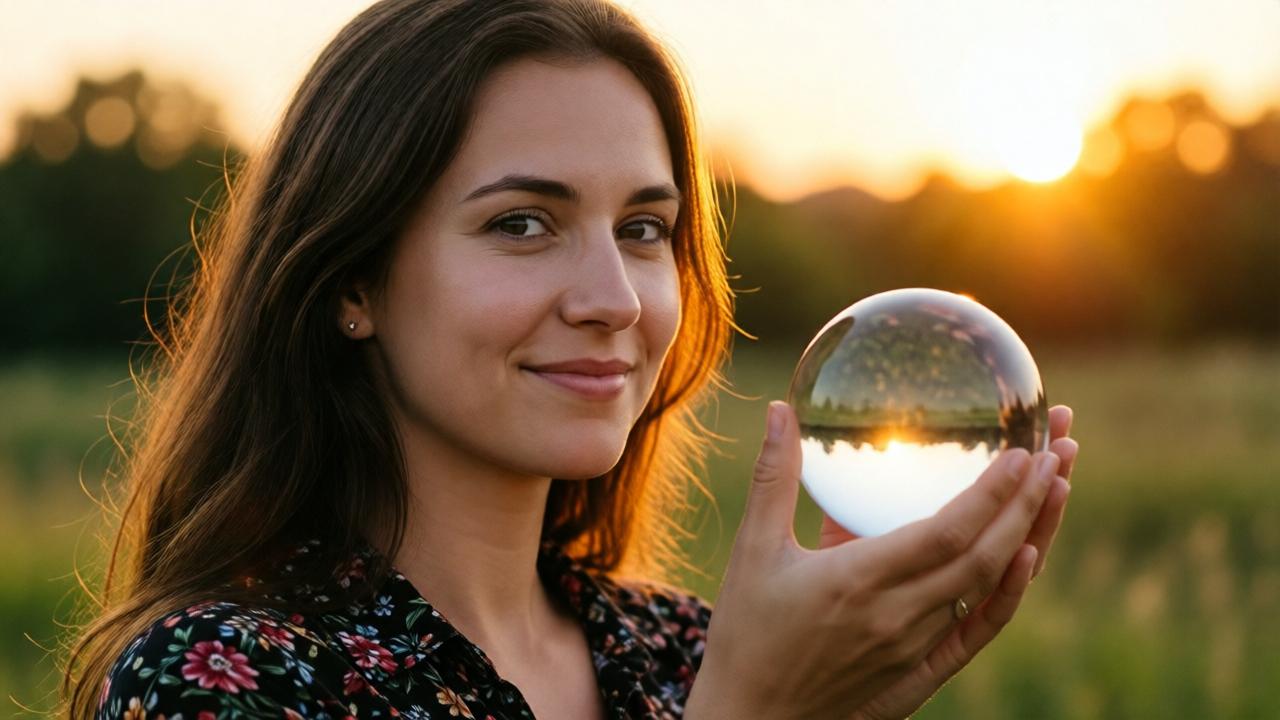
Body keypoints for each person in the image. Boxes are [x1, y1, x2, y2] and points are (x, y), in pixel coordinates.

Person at [65, 0, 1079, 718]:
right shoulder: (221, 677)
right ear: (350, 284)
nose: (612, 301)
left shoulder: (683, 651)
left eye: (644, 229)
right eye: (521, 223)